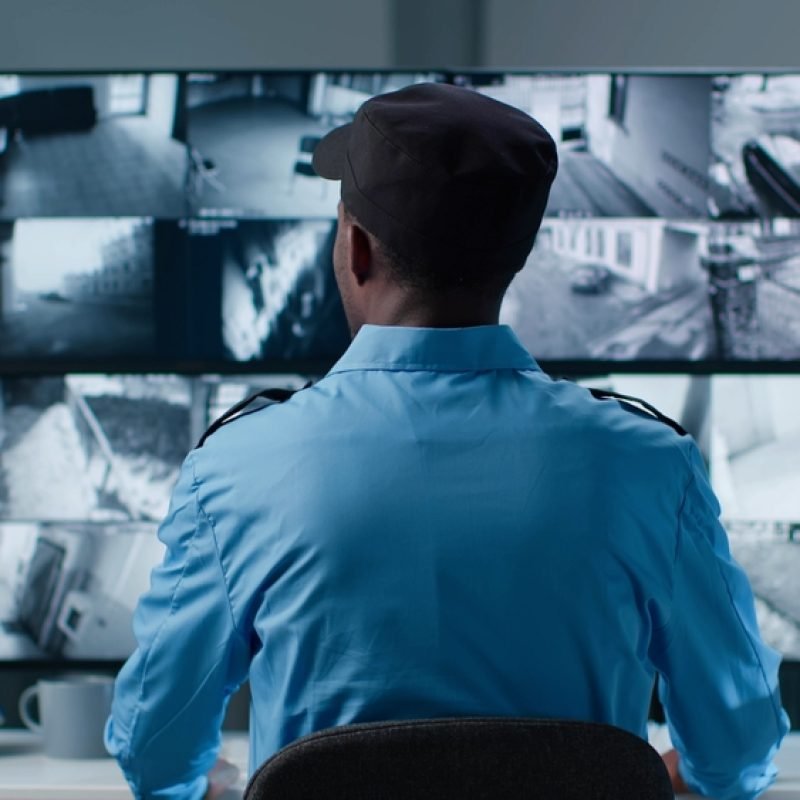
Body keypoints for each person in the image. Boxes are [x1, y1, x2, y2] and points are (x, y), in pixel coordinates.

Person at [106, 83, 789, 800]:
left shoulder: (236, 470)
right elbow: (737, 754)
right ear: (518, 256)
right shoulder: (652, 468)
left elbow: (155, 754)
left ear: (356, 248)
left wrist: (209, 784)